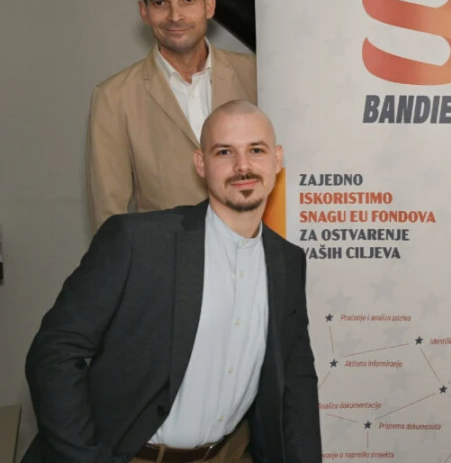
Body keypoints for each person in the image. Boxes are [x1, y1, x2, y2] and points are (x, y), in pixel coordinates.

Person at [24, 100, 320, 463]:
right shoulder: (137, 242)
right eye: (224, 152)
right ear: (201, 163)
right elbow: (54, 352)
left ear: (277, 160)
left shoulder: (288, 262)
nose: (243, 166)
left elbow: (295, 382)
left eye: (256, 150)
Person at [86, 0, 257, 233]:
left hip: (253, 250)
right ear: (144, 12)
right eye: (160, 3)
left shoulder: (256, 76)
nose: (175, 16)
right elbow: (109, 218)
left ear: (209, 6)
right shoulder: (114, 98)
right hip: (165, 258)